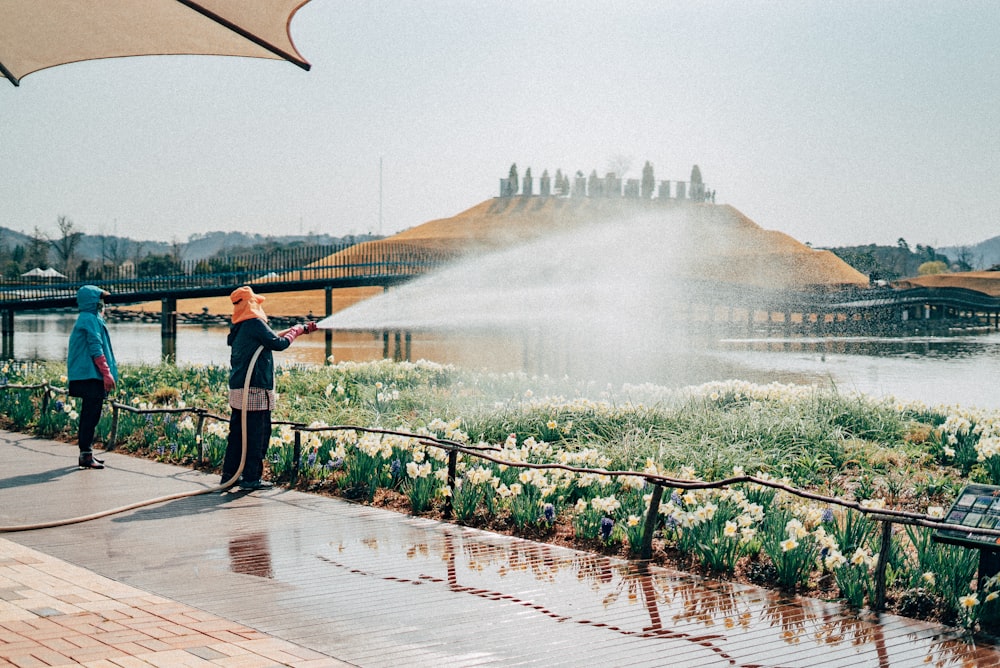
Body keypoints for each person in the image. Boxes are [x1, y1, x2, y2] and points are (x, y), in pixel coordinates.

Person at [221, 286, 317, 491]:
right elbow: (279, 343)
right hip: (254, 389)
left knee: (238, 434)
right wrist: (297, 331)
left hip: (239, 390)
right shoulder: (254, 323)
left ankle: (229, 475)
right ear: (251, 303)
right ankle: (251, 479)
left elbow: (271, 338)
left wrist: (299, 329)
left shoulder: (239, 327)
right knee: (258, 434)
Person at [67, 285, 118, 470]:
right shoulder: (89, 319)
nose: (102, 304)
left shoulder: (91, 318)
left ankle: (87, 453)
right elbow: (96, 348)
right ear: (92, 301)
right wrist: (106, 373)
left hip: (89, 373)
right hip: (89, 374)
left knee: (91, 413)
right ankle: (86, 455)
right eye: (100, 300)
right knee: (90, 414)